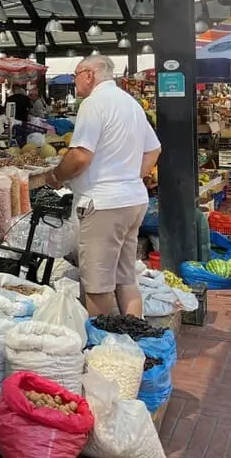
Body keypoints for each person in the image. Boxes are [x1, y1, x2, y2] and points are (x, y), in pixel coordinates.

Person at [45, 55, 161, 318]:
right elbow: (154, 149)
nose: (75, 82)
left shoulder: (93, 104)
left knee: (97, 285)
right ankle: (134, 337)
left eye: (75, 75)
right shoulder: (130, 103)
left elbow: (80, 156)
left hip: (104, 204)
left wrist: (55, 177)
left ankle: (103, 346)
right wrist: (131, 176)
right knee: (125, 278)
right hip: (132, 200)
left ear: (89, 74)